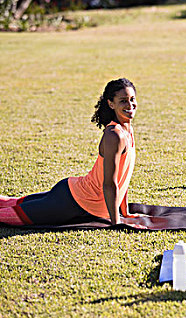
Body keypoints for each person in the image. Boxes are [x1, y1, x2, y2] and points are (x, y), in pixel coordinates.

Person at [0, 78, 142, 227]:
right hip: (73, 200)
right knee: (10, 215)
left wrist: (125, 212)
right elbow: (109, 184)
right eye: (123, 101)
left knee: (13, 203)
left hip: (77, 195)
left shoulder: (128, 130)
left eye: (132, 99)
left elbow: (122, 177)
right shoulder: (114, 135)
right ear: (111, 104)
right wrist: (116, 223)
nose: (130, 105)